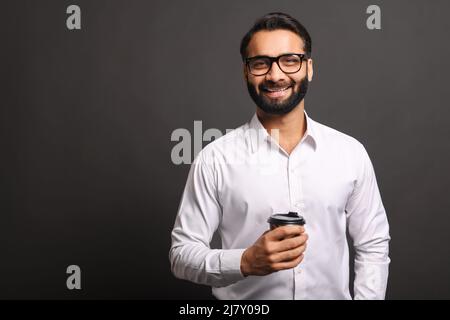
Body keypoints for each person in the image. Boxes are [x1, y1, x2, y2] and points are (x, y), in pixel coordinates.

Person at [169, 12, 390, 300]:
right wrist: (245, 262)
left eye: (289, 60)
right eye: (261, 63)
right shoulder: (215, 159)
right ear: (246, 72)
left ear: (309, 68)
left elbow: (373, 244)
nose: (275, 75)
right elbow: (181, 255)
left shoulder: (350, 153)